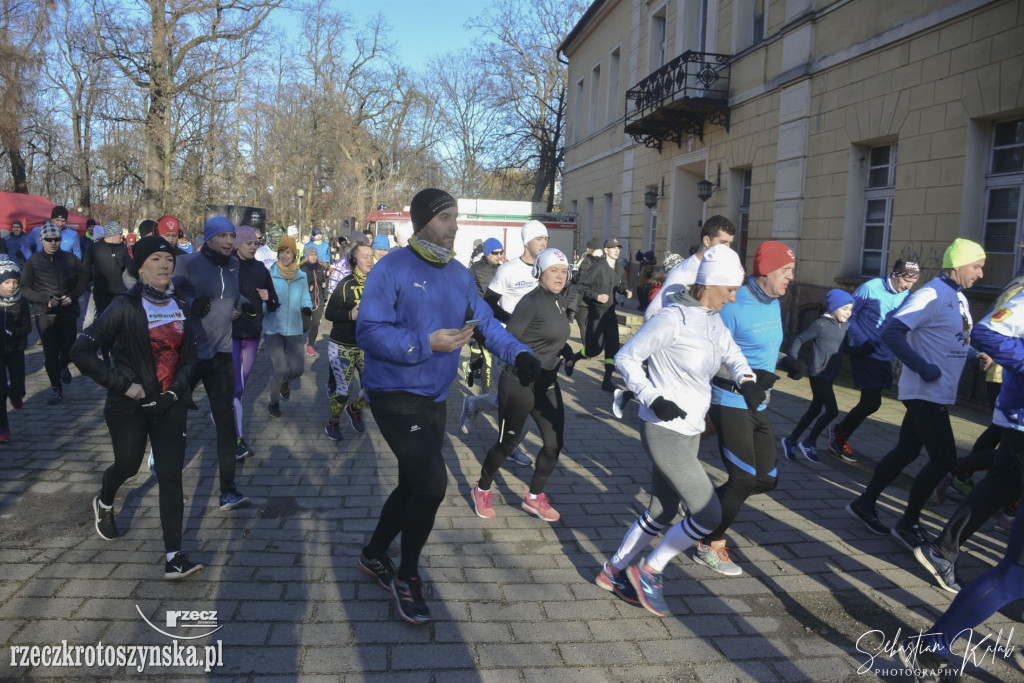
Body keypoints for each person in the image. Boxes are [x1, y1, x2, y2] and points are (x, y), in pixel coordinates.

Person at [355, 188, 538, 625]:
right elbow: (368, 332)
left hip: (436, 396)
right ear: (422, 223)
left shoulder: (458, 274)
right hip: (394, 395)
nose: (454, 226)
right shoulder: (391, 269)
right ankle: (408, 575)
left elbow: (486, 325)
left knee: (412, 485)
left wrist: (520, 355)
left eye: (456, 218)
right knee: (433, 486)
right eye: (445, 218)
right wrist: (425, 343)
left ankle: (373, 553)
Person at [598, 245, 762, 615]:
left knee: (662, 509)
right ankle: (650, 570)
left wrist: (746, 379)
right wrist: (651, 396)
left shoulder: (711, 319)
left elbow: (732, 353)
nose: (734, 297)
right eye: (730, 289)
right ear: (710, 284)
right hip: (662, 428)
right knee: (708, 514)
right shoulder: (672, 319)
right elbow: (626, 357)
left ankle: (612, 571)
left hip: (689, 429)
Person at [72, 236, 202, 580]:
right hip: (128, 405)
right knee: (128, 465)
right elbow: (81, 352)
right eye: (156, 259)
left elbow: (191, 356)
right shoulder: (124, 306)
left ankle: (174, 555)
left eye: (169, 259)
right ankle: (104, 501)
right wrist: (123, 384)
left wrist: (176, 391)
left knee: (171, 476)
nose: (164, 265)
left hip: (170, 404)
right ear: (141, 265)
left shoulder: (181, 304)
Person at [847, 239, 985, 550]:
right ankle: (908, 522)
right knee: (945, 458)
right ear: (958, 265)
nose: (980, 274)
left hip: (938, 390)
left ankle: (864, 504)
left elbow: (955, 339)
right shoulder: (931, 293)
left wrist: (976, 356)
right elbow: (892, 331)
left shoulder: (958, 298)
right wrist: (923, 367)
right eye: (976, 267)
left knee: (906, 452)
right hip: (924, 390)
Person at [694, 241, 803, 577]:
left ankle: (702, 511)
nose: (791, 278)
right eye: (786, 271)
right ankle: (707, 541)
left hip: (760, 403)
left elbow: (761, 346)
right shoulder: (733, 303)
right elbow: (711, 356)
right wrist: (750, 380)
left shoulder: (773, 302)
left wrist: (786, 360)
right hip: (730, 400)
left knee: (767, 480)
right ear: (766, 271)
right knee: (742, 479)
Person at [470, 249, 574, 522]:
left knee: (553, 444)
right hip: (520, 382)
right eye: (554, 271)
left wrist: (567, 350)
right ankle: (481, 488)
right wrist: (524, 361)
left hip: (548, 382)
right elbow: (509, 339)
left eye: (564, 271)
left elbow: (552, 333)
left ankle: (534, 497)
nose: (560, 276)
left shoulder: (558, 300)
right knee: (507, 443)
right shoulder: (531, 302)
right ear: (540, 272)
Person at [172, 216, 251, 511]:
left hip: (220, 353)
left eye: (232, 236)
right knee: (173, 416)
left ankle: (228, 490)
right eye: (223, 237)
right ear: (208, 239)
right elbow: (171, 294)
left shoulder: (233, 264)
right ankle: (163, 464)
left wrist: (244, 304)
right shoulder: (188, 263)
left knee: (226, 420)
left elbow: (231, 294)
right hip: (189, 354)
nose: (230, 242)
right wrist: (191, 304)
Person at [827, 259, 920, 462]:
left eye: (913, 283)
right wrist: (864, 340)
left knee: (874, 403)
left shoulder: (906, 294)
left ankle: (840, 431)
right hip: (865, 351)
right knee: (871, 402)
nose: (909, 287)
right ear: (895, 275)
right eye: (906, 281)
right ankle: (839, 434)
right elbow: (848, 315)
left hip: (885, 353)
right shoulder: (869, 288)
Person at [779, 289, 854, 464]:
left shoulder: (844, 326)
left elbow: (842, 349)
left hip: (831, 374)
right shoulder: (820, 325)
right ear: (834, 308)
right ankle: (810, 441)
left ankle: (791, 440)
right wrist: (792, 361)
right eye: (844, 309)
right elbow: (799, 339)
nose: (848, 313)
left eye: (850, 310)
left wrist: (864, 351)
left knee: (815, 410)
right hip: (818, 373)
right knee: (832, 410)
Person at [21, 221, 87, 404]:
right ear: (41, 240)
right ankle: (56, 389)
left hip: (67, 311)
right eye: (49, 239)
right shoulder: (33, 261)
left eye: (56, 239)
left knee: (69, 350)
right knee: (50, 353)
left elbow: (83, 280)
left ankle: (62, 365)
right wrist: (44, 299)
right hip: (45, 314)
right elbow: (25, 288)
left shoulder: (70, 259)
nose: (53, 242)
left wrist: (72, 296)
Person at [232, 225, 278, 459]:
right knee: (236, 388)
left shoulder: (261, 268)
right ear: (237, 243)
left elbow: (274, 302)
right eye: (249, 243)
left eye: (255, 243)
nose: (253, 247)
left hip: (251, 333)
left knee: (240, 388)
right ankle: (236, 439)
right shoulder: (227, 267)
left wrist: (268, 298)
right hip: (228, 334)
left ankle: (225, 415)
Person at [323, 242, 373, 440]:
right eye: (364, 256)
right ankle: (332, 423)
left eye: (371, 256)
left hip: (365, 345)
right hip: (342, 344)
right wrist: (350, 315)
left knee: (374, 386)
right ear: (354, 261)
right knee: (344, 389)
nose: (369, 259)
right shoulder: (346, 283)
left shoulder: (376, 283)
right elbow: (329, 313)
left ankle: (354, 409)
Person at [644, 216, 737, 320]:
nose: (728, 248)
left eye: (730, 243)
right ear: (707, 241)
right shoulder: (683, 272)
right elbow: (652, 313)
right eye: (723, 242)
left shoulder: (724, 270)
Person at [262, 235, 312, 418]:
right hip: (273, 327)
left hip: (294, 328)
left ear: (294, 254)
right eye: (281, 252)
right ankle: (273, 402)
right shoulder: (269, 274)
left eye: (288, 252)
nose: (284, 256)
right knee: (280, 368)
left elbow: (306, 297)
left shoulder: (301, 276)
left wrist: (307, 307)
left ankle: (285, 381)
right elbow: (261, 300)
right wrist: (268, 306)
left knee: (298, 369)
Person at [578, 237, 633, 391]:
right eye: (613, 247)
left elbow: (622, 284)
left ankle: (607, 380)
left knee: (613, 347)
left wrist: (626, 291)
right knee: (594, 349)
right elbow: (582, 286)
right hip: (597, 312)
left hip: (610, 313)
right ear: (606, 250)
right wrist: (597, 296)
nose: (617, 250)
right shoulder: (598, 267)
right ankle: (575, 358)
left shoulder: (619, 268)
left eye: (618, 248)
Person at [462, 237, 504, 389]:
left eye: (501, 252)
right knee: (488, 358)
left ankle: (471, 367)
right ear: (487, 253)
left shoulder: (503, 269)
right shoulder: (475, 268)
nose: (499, 256)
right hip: (481, 317)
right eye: (495, 253)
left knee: (495, 356)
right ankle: (485, 395)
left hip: (497, 317)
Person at [0, 258, 30, 442]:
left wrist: (12, 333)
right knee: (0, 390)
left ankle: (16, 394)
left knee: (18, 387)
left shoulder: (21, 301)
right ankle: (3, 426)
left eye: (15, 282)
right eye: (7, 282)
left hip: (16, 349)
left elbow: (27, 327)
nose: (11, 286)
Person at [82, 221, 129, 319]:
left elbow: (130, 268)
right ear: (112, 235)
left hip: (120, 293)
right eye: (120, 233)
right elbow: (85, 267)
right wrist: (89, 283)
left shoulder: (124, 248)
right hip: (101, 293)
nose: (122, 236)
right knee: (104, 320)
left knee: (119, 320)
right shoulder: (95, 248)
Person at [300, 244, 328, 356]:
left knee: (316, 323)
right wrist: (308, 286)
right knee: (305, 326)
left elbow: (323, 280)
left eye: (315, 254)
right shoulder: (302, 269)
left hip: (318, 300)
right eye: (311, 255)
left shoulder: (320, 268)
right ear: (306, 256)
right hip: (306, 301)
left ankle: (310, 345)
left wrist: (323, 284)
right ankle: (292, 340)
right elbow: (299, 285)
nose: (313, 257)